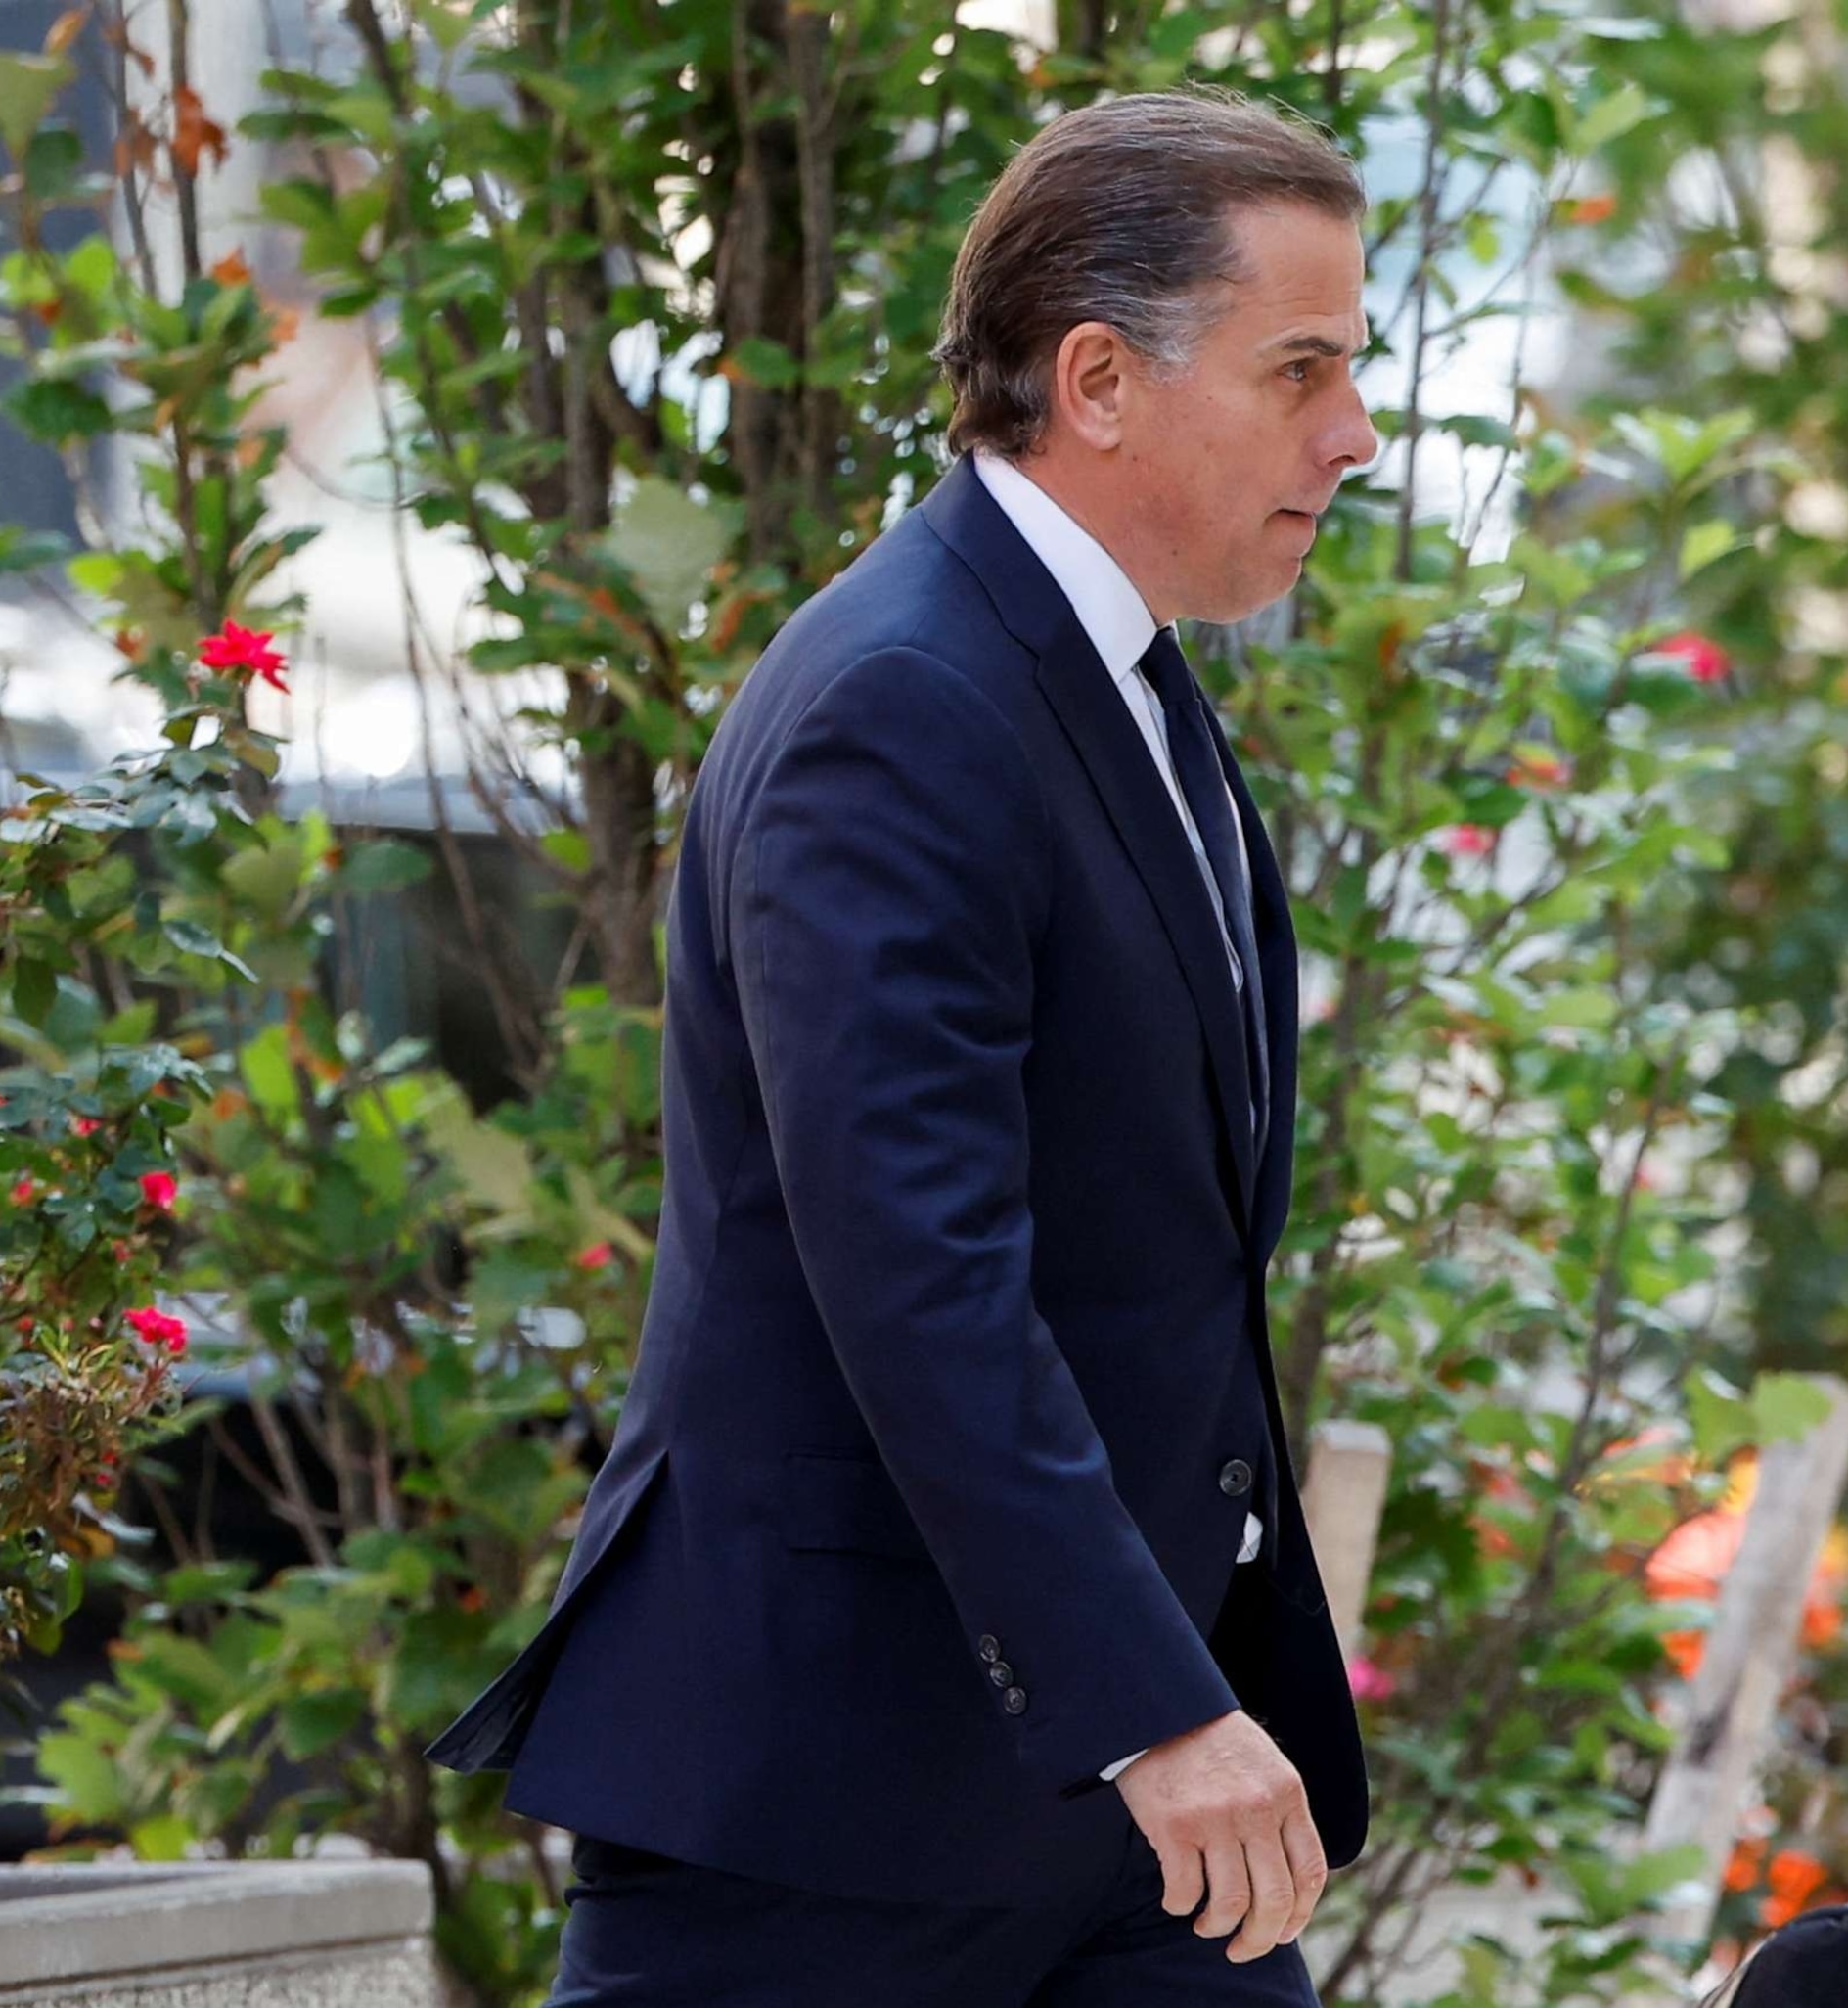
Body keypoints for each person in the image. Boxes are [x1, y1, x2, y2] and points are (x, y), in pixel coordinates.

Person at [427, 87, 1383, 2006]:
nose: (1351, 437)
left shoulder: (1109, 680)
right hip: (835, 1810)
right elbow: (918, 1265)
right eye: (1302, 373)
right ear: (1098, 379)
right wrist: (1148, 1710)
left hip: (1110, 1808)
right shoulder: (905, 702)